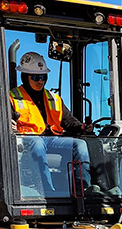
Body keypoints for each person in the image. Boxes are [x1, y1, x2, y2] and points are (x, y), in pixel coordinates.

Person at [10, 52, 92, 197]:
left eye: (43, 77)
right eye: (35, 77)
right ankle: (47, 191)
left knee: (79, 145)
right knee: (37, 144)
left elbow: (68, 121)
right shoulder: (12, 97)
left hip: (52, 139)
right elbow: (4, 120)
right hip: (26, 140)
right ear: (25, 77)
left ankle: (83, 189)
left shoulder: (53, 98)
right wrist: (9, 124)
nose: (40, 81)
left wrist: (82, 127)